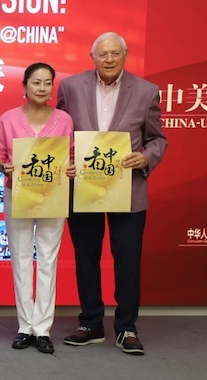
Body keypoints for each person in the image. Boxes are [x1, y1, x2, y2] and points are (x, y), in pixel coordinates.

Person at [57, 32, 167, 354]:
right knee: (86, 257)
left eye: (115, 53)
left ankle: (126, 327)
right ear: (92, 57)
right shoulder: (70, 87)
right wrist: (65, 160)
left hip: (128, 188)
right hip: (83, 187)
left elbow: (157, 138)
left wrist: (145, 158)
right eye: (103, 54)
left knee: (128, 260)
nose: (109, 59)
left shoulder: (146, 91)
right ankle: (90, 322)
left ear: (125, 56)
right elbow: (61, 132)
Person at [0, 62, 75, 354]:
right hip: (17, 194)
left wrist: (71, 169)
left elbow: (71, 155)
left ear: (53, 88)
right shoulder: (8, 119)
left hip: (53, 195)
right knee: (21, 258)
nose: (42, 88)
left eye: (47, 83)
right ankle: (25, 326)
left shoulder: (64, 119)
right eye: (36, 82)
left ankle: (42, 329)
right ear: (25, 86)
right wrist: (3, 165)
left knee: (49, 259)